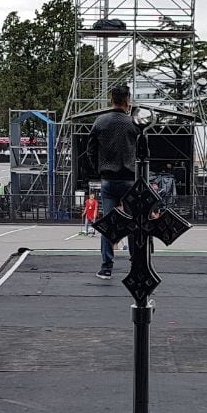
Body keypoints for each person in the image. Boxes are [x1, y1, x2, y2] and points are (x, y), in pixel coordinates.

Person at [85, 86, 138, 280]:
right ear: (127, 101)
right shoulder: (133, 123)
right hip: (129, 179)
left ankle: (106, 266)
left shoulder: (100, 122)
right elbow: (143, 151)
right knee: (135, 223)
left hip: (108, 179)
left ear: (111, 100)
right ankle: (136, 262)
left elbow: (90, 150)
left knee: (108, 224)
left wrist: (99, 168)